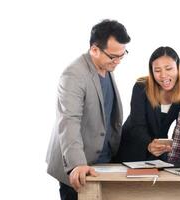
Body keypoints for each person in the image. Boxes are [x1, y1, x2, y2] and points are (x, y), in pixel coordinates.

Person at [46, 19, 130, 200]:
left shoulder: (106, 66)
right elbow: (69, 121)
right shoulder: (74, 74)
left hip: (104, 162)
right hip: (79, 165)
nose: (118, 62)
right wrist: (78, 165)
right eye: (113, 57)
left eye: (122, 55)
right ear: (94, 50)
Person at [117, 46, 180, 162]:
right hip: (132, 144)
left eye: (168, 69)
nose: (163, 75)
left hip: (159, 150)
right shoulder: (141, 87)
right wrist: (149, 145)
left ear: (178, 68)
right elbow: (137, 125)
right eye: (157, 71)